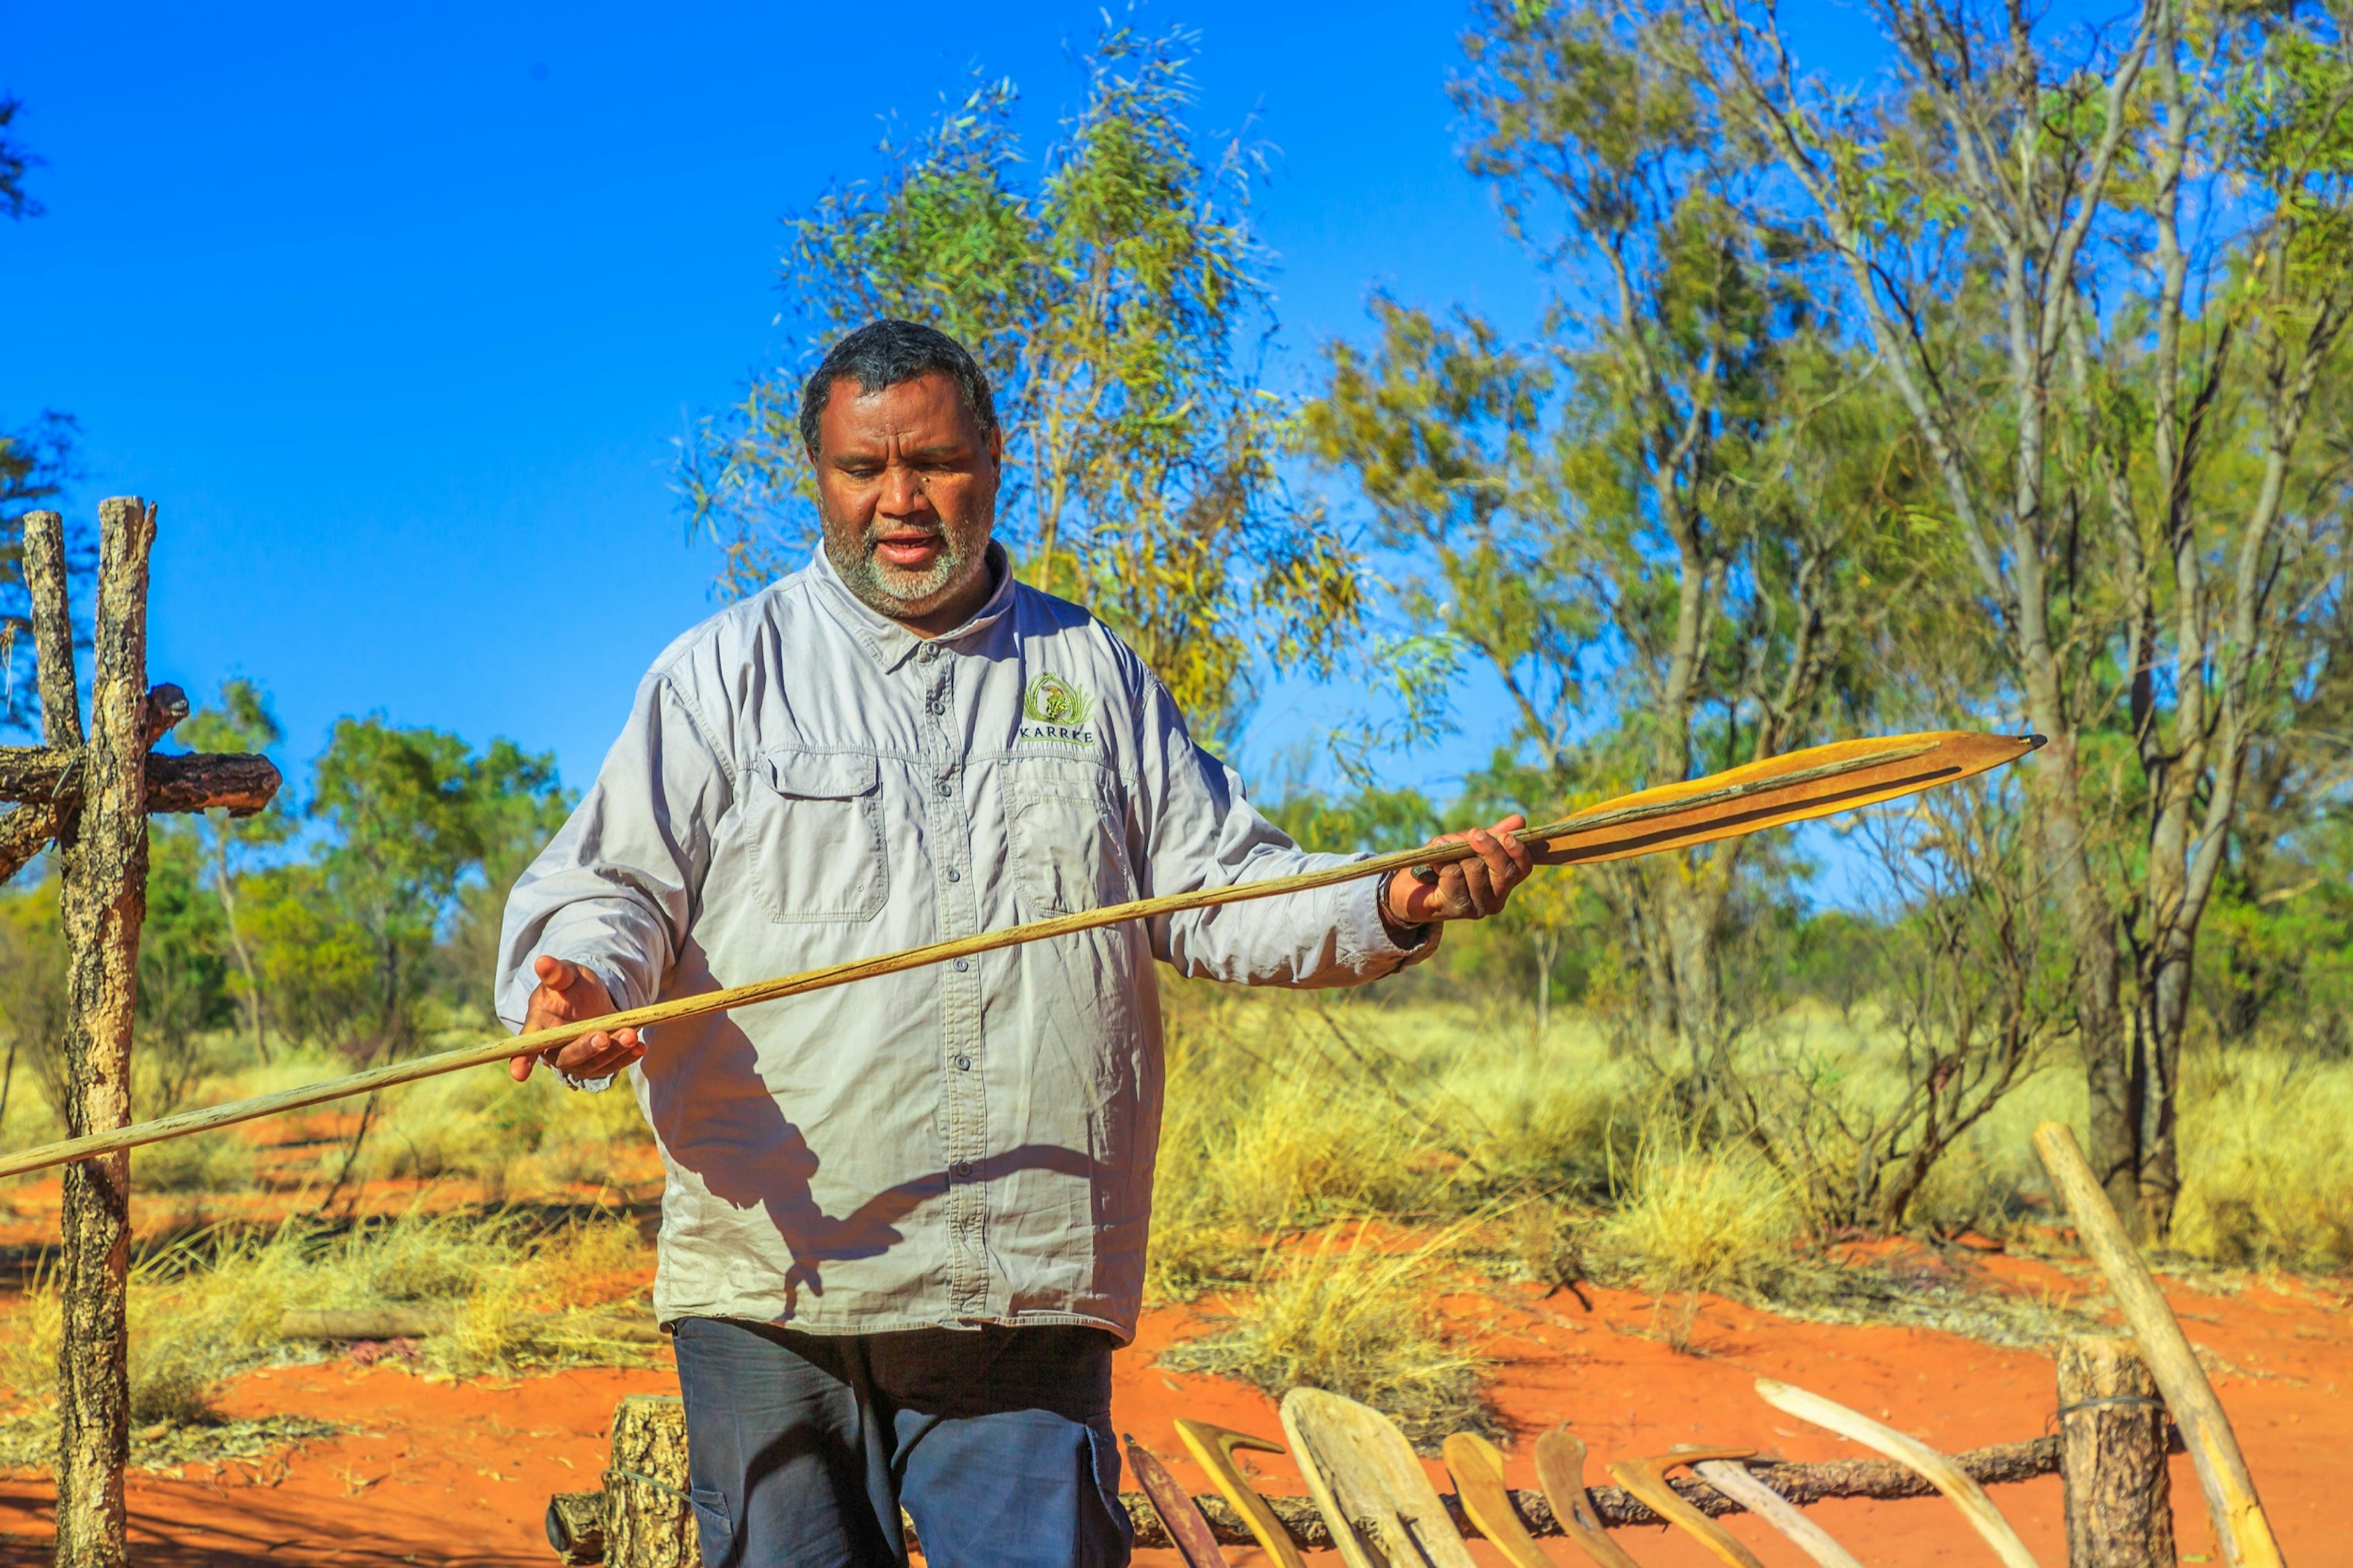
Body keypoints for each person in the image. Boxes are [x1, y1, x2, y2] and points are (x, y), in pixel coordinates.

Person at [495, 319, 1532, 1568]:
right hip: (776, 1280)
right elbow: (613, 885)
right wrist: (584, 979)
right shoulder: (721, 675)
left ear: (993, 456)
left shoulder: (1088, 671)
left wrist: (1388, 899)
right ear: (814, 476)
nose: (901, 501)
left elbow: (1217, 889)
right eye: (862, 470)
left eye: (932, 461)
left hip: (1023, 1273)